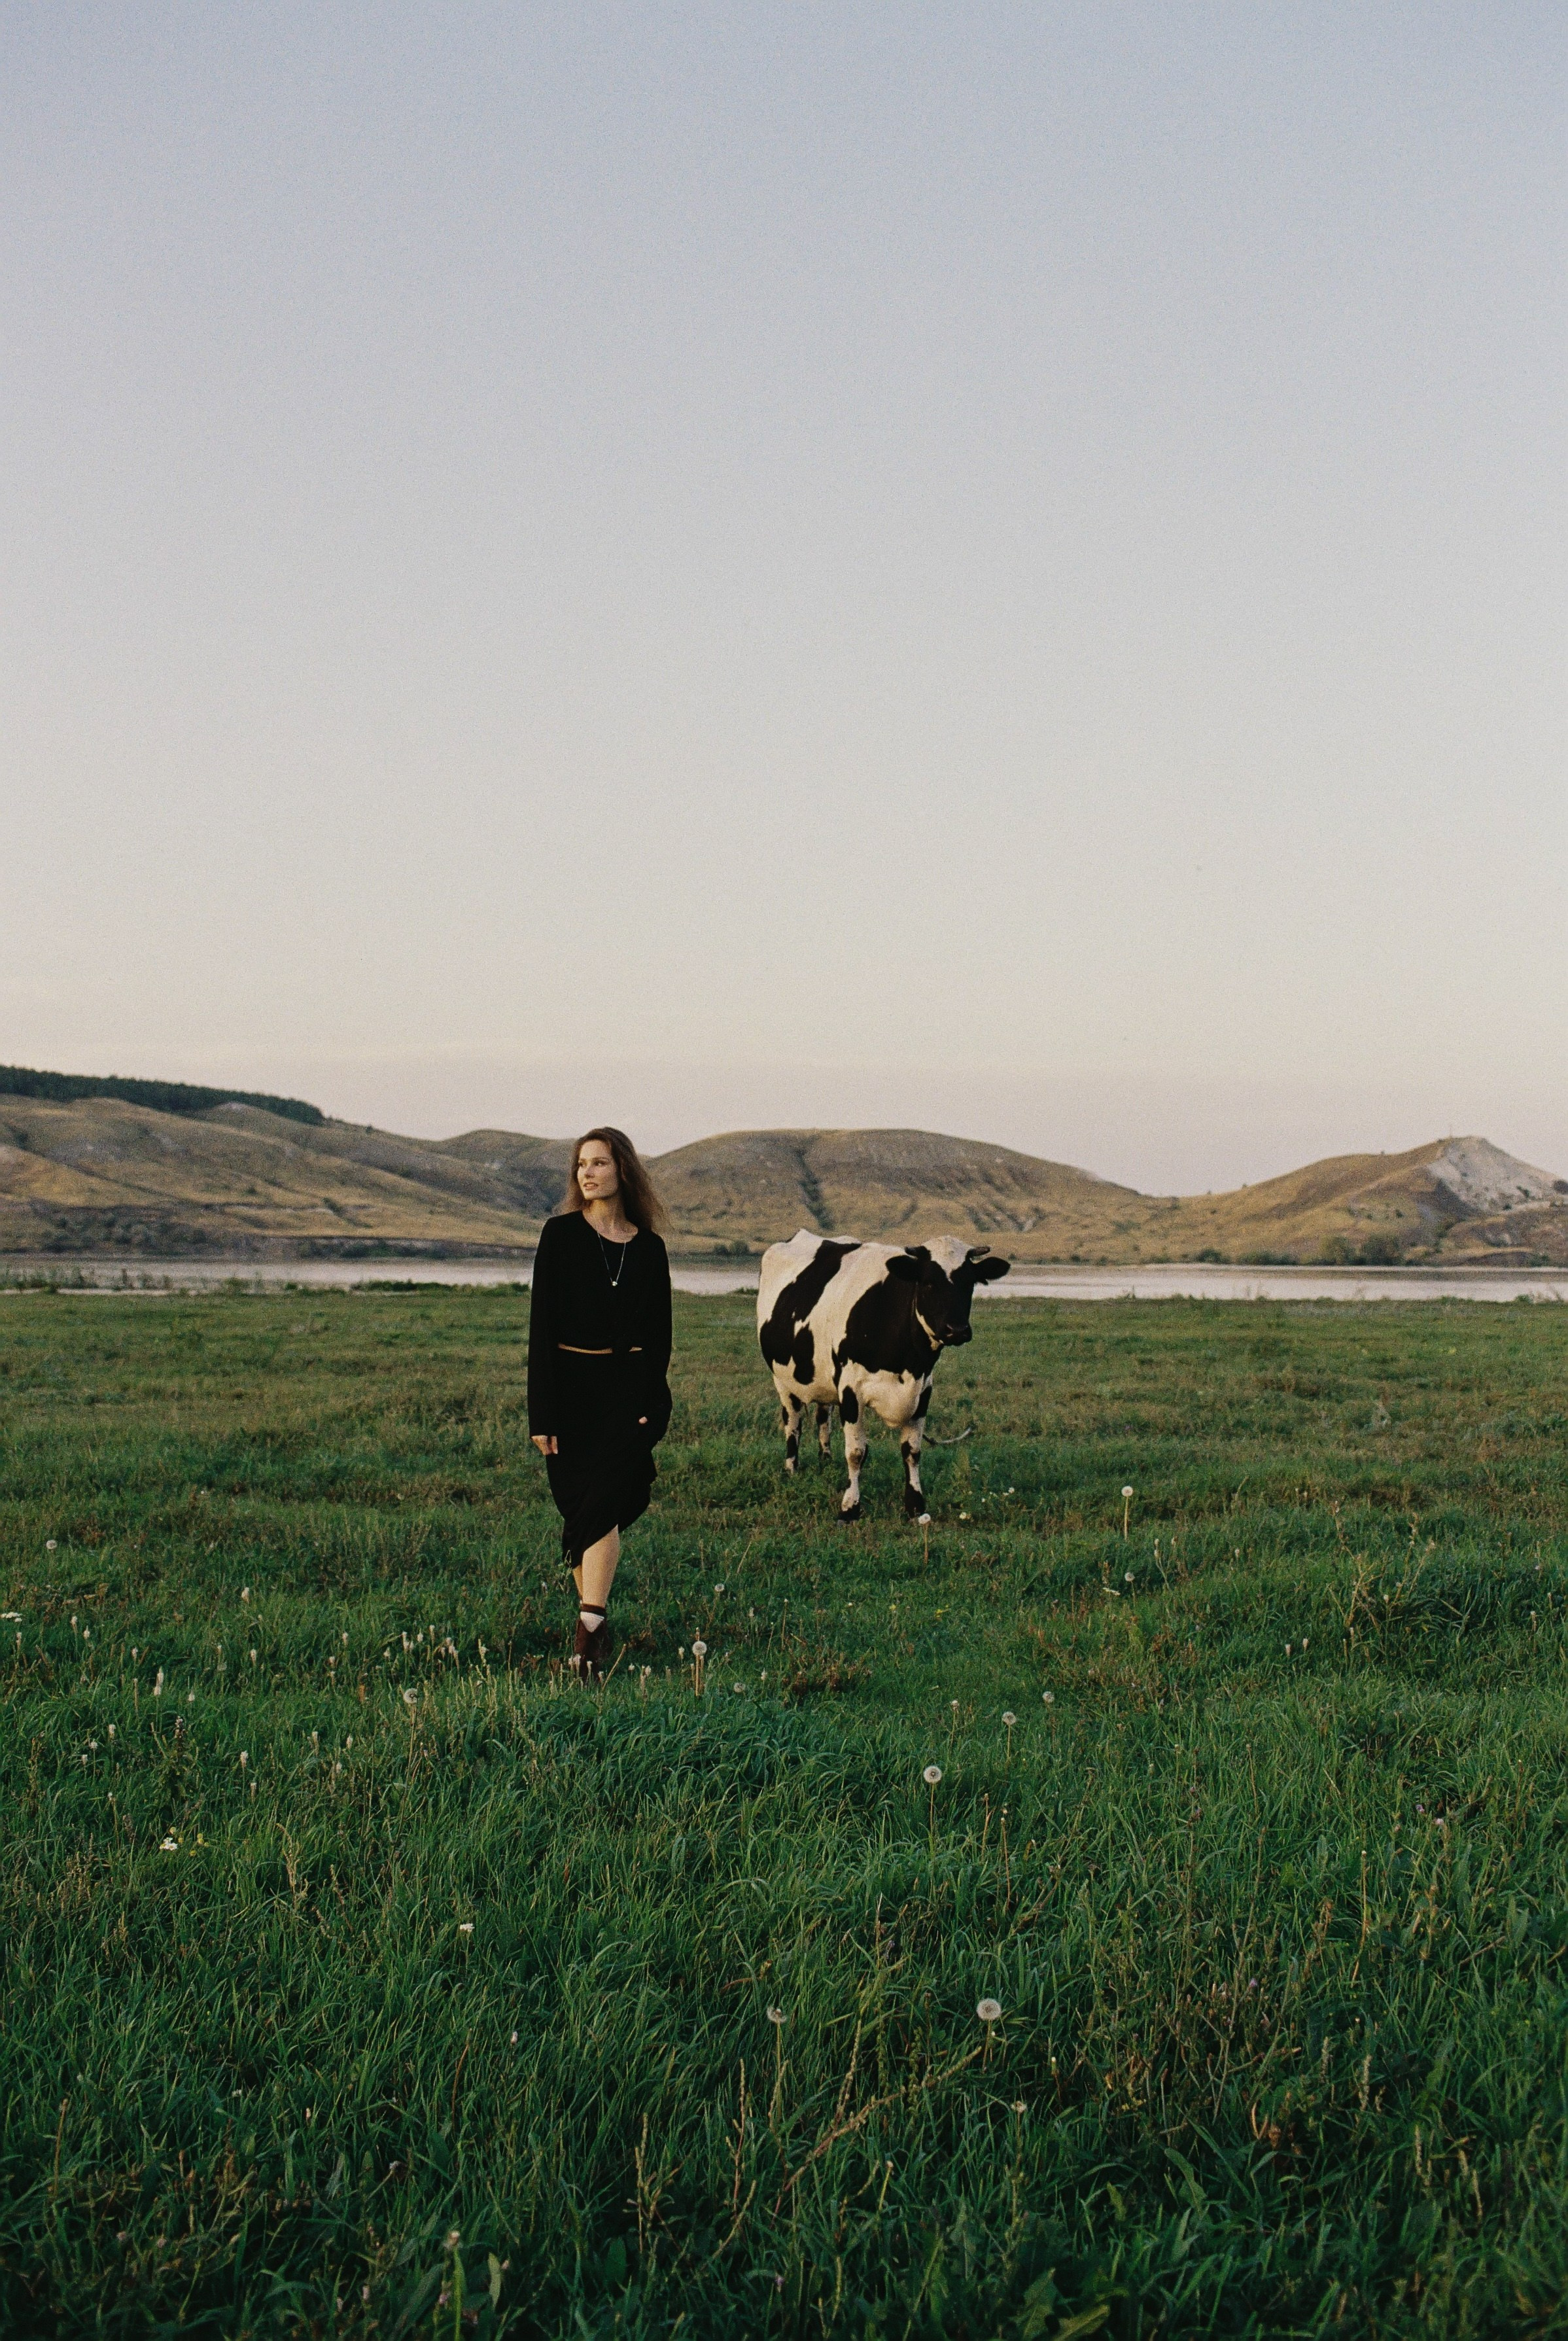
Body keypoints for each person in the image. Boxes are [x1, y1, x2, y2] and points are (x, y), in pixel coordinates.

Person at [529, 1127, 673, 1680]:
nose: (587, 1173)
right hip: (568, 1390)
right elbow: (541, 1328)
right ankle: (597, 1618)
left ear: (623, 1171)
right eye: (581, 1165)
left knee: (605, 1505)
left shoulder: (649, 1248)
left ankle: (587, 1635)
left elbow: (659, 1335)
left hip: (626, 1393)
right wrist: (541, 1411)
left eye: (600, 1163)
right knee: (579, 1513)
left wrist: (652, 1401)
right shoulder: (560, 1236)